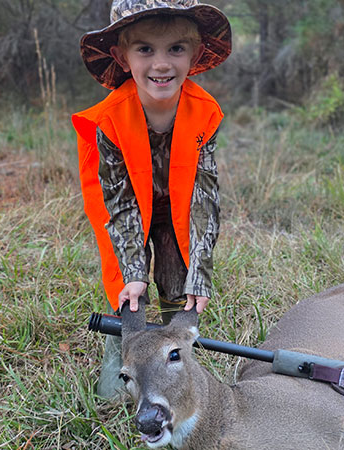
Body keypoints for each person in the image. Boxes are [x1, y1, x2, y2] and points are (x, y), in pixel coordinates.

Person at [71, 0, 232, 398]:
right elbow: (120, 204)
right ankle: (124, 347)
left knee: (179, 279)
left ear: (194, 55)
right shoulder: (110, 120)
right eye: (145, 49)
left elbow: (204, 195)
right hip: (127, 213)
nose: (161, 64)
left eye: (176, 49)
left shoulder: (204, 112)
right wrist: (133, 271)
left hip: (176, 210)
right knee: (128, 289)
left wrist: (201, 270)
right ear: (121, 56)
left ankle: (177, 358)